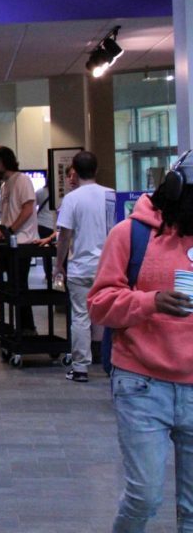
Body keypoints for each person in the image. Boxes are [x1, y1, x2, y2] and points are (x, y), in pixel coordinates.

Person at [89, 152, 193, 532]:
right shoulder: (129, 235)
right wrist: (150, 301)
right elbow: (99, 306)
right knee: (144, 496)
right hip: (142, 385)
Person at [54, 151, 113, 383]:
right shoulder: (111, 195)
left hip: (80, 268)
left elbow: (64, 236)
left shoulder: (72, 199)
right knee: (111, 315)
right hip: (108, 267)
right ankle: (112, 362)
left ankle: (80, 368)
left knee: (80, 316)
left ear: (75, 172)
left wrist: (59, 265)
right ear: (96, 170)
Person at [0, 146, 39, 333]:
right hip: (9, 242)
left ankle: (28, 328)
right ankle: (21, 327)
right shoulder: (4, 185)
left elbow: (28, 208)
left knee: (20, 287)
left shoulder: (22, 180)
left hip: (22, 242)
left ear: (5, 161)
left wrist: (10, 230)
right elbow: (7, 213)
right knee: (13, 288)